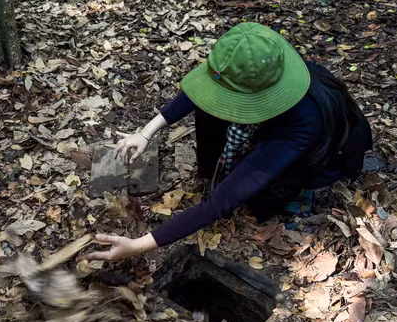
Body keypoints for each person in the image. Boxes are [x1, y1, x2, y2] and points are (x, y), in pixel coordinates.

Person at [80, 22, 372, 263]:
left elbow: (221, 202)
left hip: (324, 152)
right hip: (278, 125)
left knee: (260, 196)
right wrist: (146, 132)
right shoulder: (254, 63)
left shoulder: (303, 122)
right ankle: (218, 169)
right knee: (211, 111)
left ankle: (297, 195)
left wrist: (139, 244)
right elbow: (202, 91)